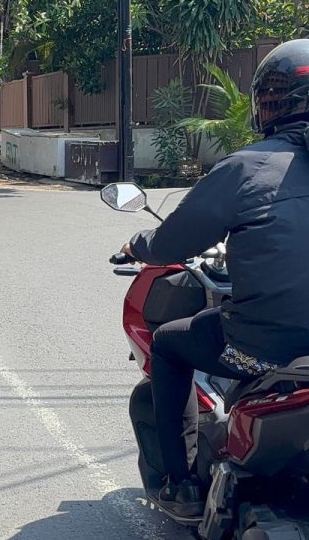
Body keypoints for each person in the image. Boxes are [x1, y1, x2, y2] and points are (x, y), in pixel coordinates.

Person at [120, 39, 309, 520]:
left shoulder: (247, 167)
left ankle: (180, 485)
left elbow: (169, 245)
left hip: (267, 348)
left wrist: (134, 245)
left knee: (167, 343)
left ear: (267, 104)